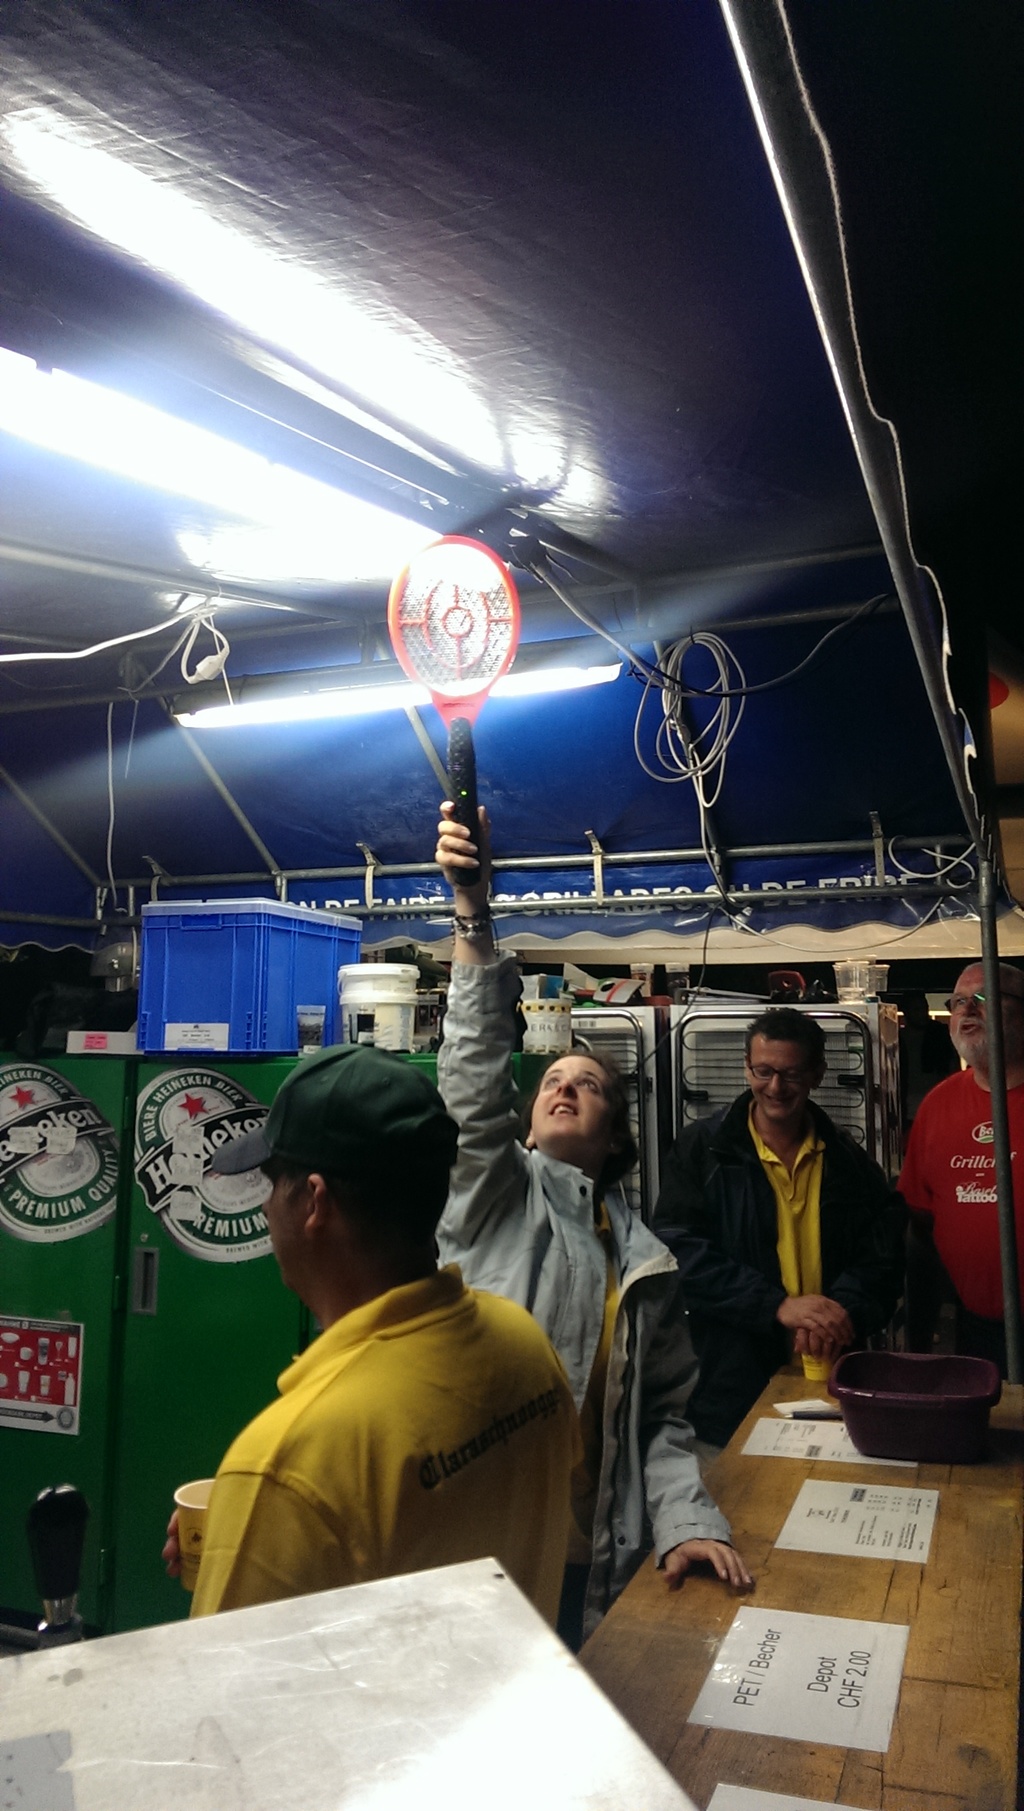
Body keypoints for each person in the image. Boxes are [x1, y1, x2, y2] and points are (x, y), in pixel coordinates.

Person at [434, 802, 751, 1649]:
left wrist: (687, 1519)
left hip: (587, 1556)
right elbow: (471, 1084)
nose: (565, 1086)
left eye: (590, 1084)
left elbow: (661, 1419)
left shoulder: (646, 1261)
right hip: (476, 1546)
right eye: (551, 1081)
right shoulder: (493, 1196)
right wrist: (473, 912)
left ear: (616, 1137)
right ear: (528, 1125)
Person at [162, 1042, 580, 1624]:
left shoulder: (291, 1461)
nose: (265, 1209)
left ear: (314, 1201)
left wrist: (263, 1517)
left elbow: (231, 1682)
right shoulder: (524, 1343)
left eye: (270, 1182)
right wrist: (258, 1533)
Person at [653, 1007, 905, 1451]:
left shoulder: (847, 1160)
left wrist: (840, 1313)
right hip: (728, 1387)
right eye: (763, 1071)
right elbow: (678, 1252)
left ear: (817, 1074)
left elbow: (883, 1258)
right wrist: (776, 1306)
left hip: (830, 1381)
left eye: (791, 1074)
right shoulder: (704, 1151)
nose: (775, 1087)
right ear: (746, 1067)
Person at [898, 961, 1024, 1374]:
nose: (968, 1009)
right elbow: (920, 1226)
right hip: (975, 1330)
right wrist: (919, 1333)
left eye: (985, 998)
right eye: (958, 1002)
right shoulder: (938, 1104)